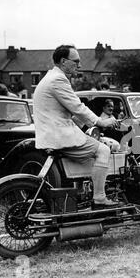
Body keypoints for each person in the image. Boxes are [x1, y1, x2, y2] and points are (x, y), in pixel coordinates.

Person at [33, 44, 119, 207]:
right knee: (104, 150)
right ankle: (99, 196)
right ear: (64, 61)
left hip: (52, 134)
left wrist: (90, 127)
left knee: (95, 146)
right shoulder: (58, 80)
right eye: (76, 61)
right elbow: (77, 107)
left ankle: (83, 195)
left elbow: (70, 112)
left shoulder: (51, 77)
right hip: (59, 136)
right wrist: (100, 122)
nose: (79, 65)